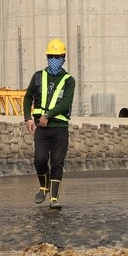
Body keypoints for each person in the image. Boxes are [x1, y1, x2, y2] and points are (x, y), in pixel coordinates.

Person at [23, 39, 75, 209]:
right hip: (42, 128)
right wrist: (28, 118)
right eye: (51, 56)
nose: (54, 60)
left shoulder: (69, 80)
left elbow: (66, 103)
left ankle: (54, 198)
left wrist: (49, 115)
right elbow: (28, 96)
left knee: (57, 162)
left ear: (63, 58)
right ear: (47, 57)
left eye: (58, 57)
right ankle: (43, 186)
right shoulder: (38, 76)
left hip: (59, 128)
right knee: (39, 159)